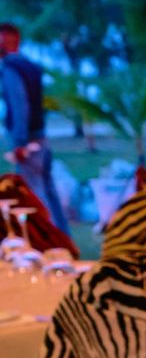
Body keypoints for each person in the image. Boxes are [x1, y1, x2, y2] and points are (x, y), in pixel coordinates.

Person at [0, 22, 68, 231]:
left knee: (36, 196)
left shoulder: (11, 67)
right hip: (40, 139)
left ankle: (53, 245)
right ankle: (65, 241)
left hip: (29, 143)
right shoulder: (30, 66)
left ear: (11, 40)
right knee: (48, 193)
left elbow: (20, 104)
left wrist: (20, 142)